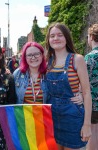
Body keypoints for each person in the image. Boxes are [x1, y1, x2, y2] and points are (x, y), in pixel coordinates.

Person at [45, 22, 92, 150]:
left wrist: (87, 124)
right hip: (52, 117)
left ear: (66, 37)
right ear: (48, 40)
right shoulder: (47, 61)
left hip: (72, 118)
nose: (56, 38)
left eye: (60, 35)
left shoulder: (77, 59)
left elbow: (87, 92)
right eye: (52, 36)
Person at [13, 41, 84, 105]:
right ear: (25, 58)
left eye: (37, 54)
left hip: (44, 117)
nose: (33, 57)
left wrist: (79, 93)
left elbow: (62, 87)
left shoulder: (50, 73)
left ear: (42, 55)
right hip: (23, 118)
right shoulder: (17, 74)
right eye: (29, 55)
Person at [85, 24, 98, 150]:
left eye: (88, 36)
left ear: (92, 37)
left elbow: (83, 81)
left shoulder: (90, 57)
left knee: (93, 132)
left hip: (94, 103)